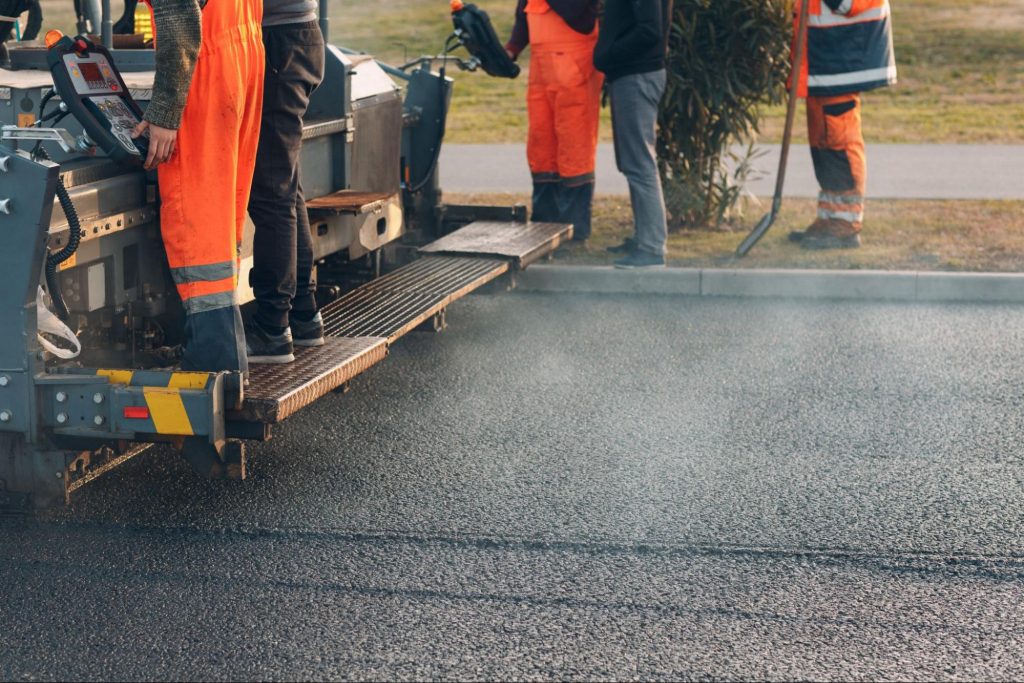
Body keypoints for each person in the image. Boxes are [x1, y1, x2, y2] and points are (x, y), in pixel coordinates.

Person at [132, 0, 265, 373]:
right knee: (223, 216)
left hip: (207, 67)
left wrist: (164, 113)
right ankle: (223, 349)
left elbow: (179, 17)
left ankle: (213, 359)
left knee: (197, 219)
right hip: (242, 50)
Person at [244, 0, 326, 364]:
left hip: (279, 42)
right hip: (293, 38)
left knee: (272, 194)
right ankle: (303, 314)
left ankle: (272, 329)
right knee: (287, 191)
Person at [788, 0, 897, 250]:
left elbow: (846, 3)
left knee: (840, 142)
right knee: (822, 141)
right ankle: (830, 217)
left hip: (845, 52)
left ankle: (846, 223)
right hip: (824, 53)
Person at [505, 0, 602, 243]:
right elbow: (524, 12)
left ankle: (574, 229)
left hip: (575, 63)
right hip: (542, 65)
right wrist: (512, 49)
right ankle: (544, 224)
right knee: (541, 144)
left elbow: (581, 16)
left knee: (575, 144)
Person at [594, 0, 672, 269]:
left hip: (637, 73)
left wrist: (609, 54)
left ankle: (651, 248)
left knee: (639, 163)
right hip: (633, 72)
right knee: (634, 162)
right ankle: (644, 239)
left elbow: (650, 30)